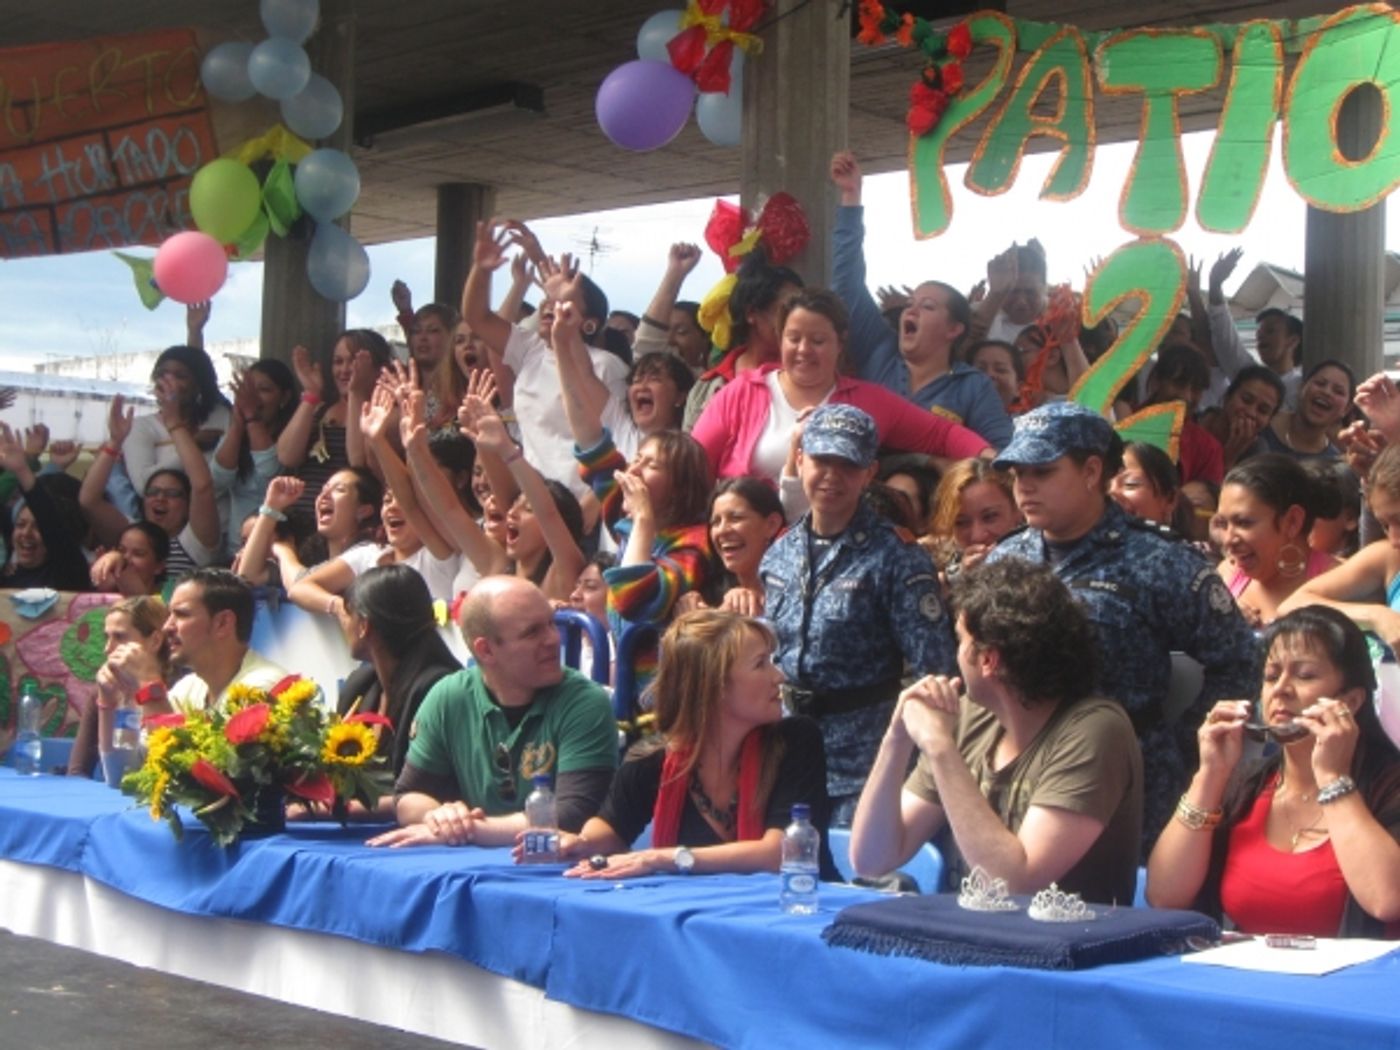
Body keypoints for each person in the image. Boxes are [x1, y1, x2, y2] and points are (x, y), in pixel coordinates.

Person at [987, 400, 1258, 849]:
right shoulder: (1006, 558)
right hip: (1021, 768)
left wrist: (1184, 742)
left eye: (1043, 472)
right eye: (1017, 475)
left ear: (1092, 472)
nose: (1024, 487)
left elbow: (1239, 662)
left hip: (1126, 779)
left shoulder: (1159, 561)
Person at [850, 559, 1143, 904]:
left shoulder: (1095, 729)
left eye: (960, 640)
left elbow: (1015, 882)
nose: (955, 654)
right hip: (975, 940)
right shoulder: (969, 718)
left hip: (1065, 947)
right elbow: (872, 859)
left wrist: (940, 748)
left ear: (989, 659)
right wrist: (896, 739)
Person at [1146, 607, 1400, 936]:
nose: (1281, 688)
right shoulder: (1247, 786)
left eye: (1305, 675)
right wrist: (1210, 774)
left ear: (1350, 701)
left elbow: (1387, 899)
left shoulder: (1389, 785)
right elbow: (1164, 896)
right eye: (1270, 676)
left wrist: (1333, 779)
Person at [761, 404, 956, 823]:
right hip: (786, 753)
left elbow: (934, 669)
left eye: (847, 464)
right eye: (821, 460)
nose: (831, 476)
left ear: (869, 472)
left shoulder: (897, 557)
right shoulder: (778, 554)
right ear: (799, 460)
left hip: (863, 760)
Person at [556, 610, 837, 880]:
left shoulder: (795, 741)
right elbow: (610, 830)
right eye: (760, 664)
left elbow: (780, 854)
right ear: (714, 686)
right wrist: (577, 843)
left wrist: (663, 859)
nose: (780, 676)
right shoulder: (652, 758)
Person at [367, 576, 618, 848]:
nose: (553, 639)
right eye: (532, 632)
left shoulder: (584, 702)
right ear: (485, 650)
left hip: (557, 873)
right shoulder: (448, 696)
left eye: (551, 624)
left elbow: (571, 816)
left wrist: (472, 829)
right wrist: (440, 817)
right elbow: (408, 795)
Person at [692, 289, 991, 484]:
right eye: (793, 338)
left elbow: (943, 433)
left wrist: (992, 458)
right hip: (745, 546)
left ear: (840, 344)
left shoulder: (869, 401)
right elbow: (692, 465)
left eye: (818, 341)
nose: (804, 350)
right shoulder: (739, 393)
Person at [830, 152, 1013, 449]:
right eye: (911, 303)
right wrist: (851, 196)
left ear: (954, 329)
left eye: (928, 306)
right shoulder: (879, 350)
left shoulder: (972, 386)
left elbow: (999, 451)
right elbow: (846, 281)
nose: (911, 310)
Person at [462, 219, 629, 501]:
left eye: (562, 299)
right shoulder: (531, 349)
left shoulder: (605, 365)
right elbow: (477, 318)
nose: (549, 304)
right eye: (548, 299)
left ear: (589, 323)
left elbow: (618, 442)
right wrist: (482, 270)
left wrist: (593, 508)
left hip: (583, 503)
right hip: (533, 500)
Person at [336, 565, 461, 787]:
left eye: (348, 615)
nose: (344, 624)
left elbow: (421, 792)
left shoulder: (439, 690)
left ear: (364, 625)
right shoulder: (359, 686)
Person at [103, 569, 285, 714]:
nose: (167, 627)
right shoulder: (190, 687)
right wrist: (112, 701)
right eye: (170, 614)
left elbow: (188, 761)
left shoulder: (263, 687)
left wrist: (150, 685)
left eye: (181, 614)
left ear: (222, 623)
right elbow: (133, 758)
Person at [80, 395, 222, 578]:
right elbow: (88, 501)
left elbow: (202, 486)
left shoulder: (196, 542)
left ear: (188, 505)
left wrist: (174, 425)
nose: (160, 498)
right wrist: (115, 442)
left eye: (172, 494)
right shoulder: (132, 532)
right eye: (152, 492)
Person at [1278, 444, 1400, 646]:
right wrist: (1377, 616)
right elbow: (1293, 604)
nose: (1395, 539)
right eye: (1385, 526)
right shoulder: (1389, 556)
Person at [277, 330, 393, 517]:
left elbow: (358, 463)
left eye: (354, 361)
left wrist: (356, 392)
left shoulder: (385, 412)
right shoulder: (320, 409)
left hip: (348, 521)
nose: (345, 369)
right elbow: (286, 456)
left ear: (378, 367)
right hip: (298, 516)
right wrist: (311, 394)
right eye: (338, 362)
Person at [684, 250, 803, 429]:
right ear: (751, 313)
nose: (798, 319)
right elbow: (688, 453)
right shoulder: (708, 387)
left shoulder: (810, 376)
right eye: (787, 309)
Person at [1217, 454, 1339, 628]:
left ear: (1292, 522)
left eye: (1244, 523)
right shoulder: (1226, 576)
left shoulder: (1339, 582)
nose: (1228, 539)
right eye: (1223, 523)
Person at [80, 595, 173, 778]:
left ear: (155, 640)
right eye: (107, 637)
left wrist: (147, 684)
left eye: (120, 637)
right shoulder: (106, 689)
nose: (107, 649)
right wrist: (107, 702)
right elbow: (77, 769)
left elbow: (171, 766)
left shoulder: (179, 691)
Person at [211, 361, 297, 553]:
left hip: (278, 550)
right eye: (247, 391)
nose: (252, 398)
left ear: (284, 397)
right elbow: (217, 480)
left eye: (263, 390)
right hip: (236, 549)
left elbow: (270, 472)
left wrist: (251, 417)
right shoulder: (235, 435)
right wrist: (237, 425)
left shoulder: (293, 436)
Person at [1203, 247, 1303, 411]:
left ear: (1292, 340)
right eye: (1259, 334)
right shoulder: (1249, 374)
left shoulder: (1303, 386)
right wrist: (1215, 285)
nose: (1261, 338)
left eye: (1270, 331)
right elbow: (1226, 341)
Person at [0, 422, 90, 591]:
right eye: (20, 524)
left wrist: (22, 470)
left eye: (38, 527)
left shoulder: (69, 571)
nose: (26, 533)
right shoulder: (5, 572)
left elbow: (49, 517)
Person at [927, 458, 1021, 577]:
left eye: (990, 517)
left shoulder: (1044, 559)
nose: (977, 536)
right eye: (961, 523)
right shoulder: (937, 578)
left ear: (1017, 508)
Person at [705, 476, 786, 616]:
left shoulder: (793, 592)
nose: (723, 530)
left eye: (736, 518)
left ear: (772, 525)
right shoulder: (707, 595)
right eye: (716, 522)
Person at [1260, 360, 1354, 461]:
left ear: (1346, 409)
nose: (1327, 392)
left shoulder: (1333, 463)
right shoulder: (1261, 424)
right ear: (1301, 388)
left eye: (1338, 391)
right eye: (1320, 383)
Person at [1198, 365, 1284, 471]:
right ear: (1227, 397)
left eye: (1263, 410)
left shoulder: (1258, 453)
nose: (1251, 412)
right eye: (1246, 400)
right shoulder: (1189, 421)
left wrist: (1230, 456)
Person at [1110, 441, 1193, 535]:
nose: (1111, 492)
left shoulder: (1182, 549)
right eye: (1103, 485)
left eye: (1130, 484)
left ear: (1170, 499)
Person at [89, 521, 169, 597]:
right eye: (121, 551)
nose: (126, 558)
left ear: (159, 566)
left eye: (138, 554)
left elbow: (141, 603)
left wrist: (121, 567)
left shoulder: (169, 596)